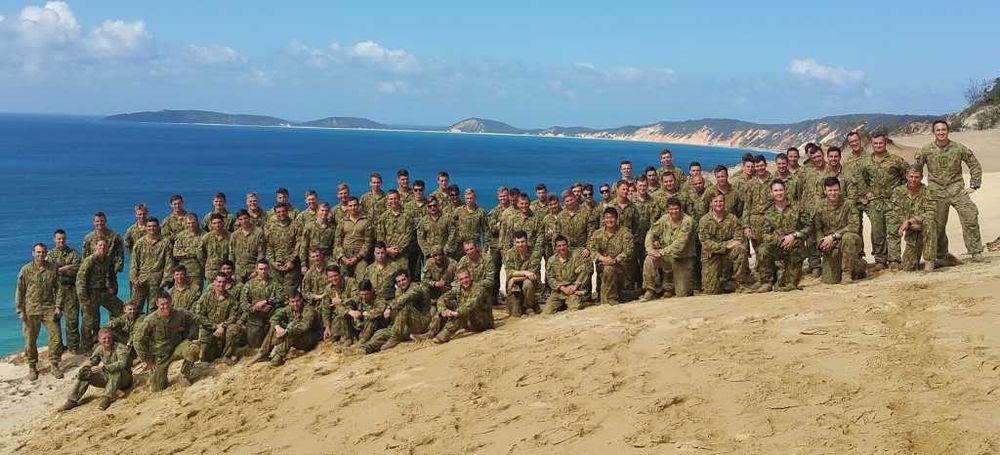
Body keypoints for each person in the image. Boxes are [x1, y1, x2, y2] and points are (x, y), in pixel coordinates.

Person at [914, 120, 986, 264]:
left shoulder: (958, 148)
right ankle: (942, 254)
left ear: (948, 131)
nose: (941, 132)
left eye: (943, 130)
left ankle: (975, 251)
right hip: (936, 191)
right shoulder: (925, 150)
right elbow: (915, 169)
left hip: (956, 189)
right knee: (937, 224)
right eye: (938, 130)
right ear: (934, 132)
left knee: (970, 214)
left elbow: (974, 164)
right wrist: (918, 188)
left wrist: (974, 185)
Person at [133, 292, 210, 391]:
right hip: (160, 355)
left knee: (193, 349)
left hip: (177, 347)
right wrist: (147, 360)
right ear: (157, 304)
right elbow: (137, 340)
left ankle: (184, 374)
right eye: (162, 304)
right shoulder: (150, 320)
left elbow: (195, 319)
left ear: (171, 301)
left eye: (167, 303)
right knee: (157, 388)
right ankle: (149, 377)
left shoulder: (179, 313)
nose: (165, 306)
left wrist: (191, 336)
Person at [858, 132, 908, 270]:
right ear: (872, 144)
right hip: (876, 203)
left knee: (893, 231)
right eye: (875, 143)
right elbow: (863, 180)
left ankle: (894, 260)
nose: (878, 146)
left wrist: (901, 192)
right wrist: (867, 192)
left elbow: (907, 176)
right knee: (877, 232)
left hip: (893, 202)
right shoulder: (866, 162)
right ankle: (880, 260)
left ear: (885, 143)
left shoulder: (896, 160)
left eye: (881, 143)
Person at [353, 270, 432, 354]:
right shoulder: (399, 291)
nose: (401, 283)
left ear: (409, 279)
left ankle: (396, 337)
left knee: (405, 306)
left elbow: (404, 298)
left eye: (403, 280)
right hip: (405, 326)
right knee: (380, 334)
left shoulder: (415, 287)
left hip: (421, 322)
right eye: (399, 281)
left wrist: (389, 308)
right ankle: (364, 349)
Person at [16, 242, 63, 380]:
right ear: (33, 253)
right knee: (30, 340)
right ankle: (32, 367)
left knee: (56, 338)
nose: (40, 254)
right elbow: (20, 291)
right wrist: (20, 310)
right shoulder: (25, 270)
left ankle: (54, 365)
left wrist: (59, 306)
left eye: (43, 252)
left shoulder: (53, 268)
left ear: (46, 253)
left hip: (49, 308)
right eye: (38, 252)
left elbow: (59, 288)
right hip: (31, 309)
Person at [755, 180, 812, 292]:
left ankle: (788, 278)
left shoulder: (797, 207)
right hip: (777, 247)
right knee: (762, 249)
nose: (779, 193)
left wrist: (794, 236)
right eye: (775, 190)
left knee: (786, 286)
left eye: (781, 190)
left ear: (785, 191)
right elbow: (764, 234)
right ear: (771, 193)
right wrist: (780, 240)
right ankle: (767, 282)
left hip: (794, 247)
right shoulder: (767, 212)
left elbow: (809, 227)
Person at [58, 328, 133, 411]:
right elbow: (92, 361)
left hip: (125, 379)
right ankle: (72, 400)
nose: (107, 340)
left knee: (115, 371)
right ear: (99, 339)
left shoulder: (120, 347)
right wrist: (86, 368)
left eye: (109, 338)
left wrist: (104, 368)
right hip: (109, 379)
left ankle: (107, 398)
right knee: (86, 373)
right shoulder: (100, 349)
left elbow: (122, 364)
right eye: (104, 338)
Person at [413, 268, 494, 344]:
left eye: (466, 278)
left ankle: (445, 333)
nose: (464, 281)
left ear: (471, 277)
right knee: (447, 304)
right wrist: (443, 310)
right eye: (461, 279)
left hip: (483, 322)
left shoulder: (478, 288)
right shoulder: (458, 289)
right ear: (458, 281)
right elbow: (442, 298)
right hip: (470, 321)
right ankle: (431, 332)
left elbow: (471, 304)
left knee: (461, 310)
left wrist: (456, 313)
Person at [813, 177, 864, 284]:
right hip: (831, 245)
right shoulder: (819, 206)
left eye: (835, 190)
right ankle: (856, 265)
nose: (833, 193)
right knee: (830, 281)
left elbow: (854, 226)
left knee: (848, 237)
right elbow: (818, 229)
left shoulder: (848, 204)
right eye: (830, 190)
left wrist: (833, 236)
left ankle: (847, 273)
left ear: (840, 190)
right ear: (825, 191)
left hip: (847, 241)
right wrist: (821, 243)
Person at [642, 197, 695, 299]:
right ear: (667, 210)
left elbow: (679, 246)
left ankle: (672, 288)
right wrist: (649, 248)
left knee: (682, 294)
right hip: (667, 256)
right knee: (650, 258)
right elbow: (651, 232)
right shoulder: (664, 219)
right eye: (671, 209)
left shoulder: (687, 221)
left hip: (682, 259)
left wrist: (661, 252)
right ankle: (650, 290)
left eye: (676, 209)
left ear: (681, 209)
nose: (673, 211)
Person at [76, 239, 124, 351]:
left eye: (104, 246)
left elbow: (111, 274)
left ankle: (118, 337)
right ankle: (86, 347)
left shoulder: (107, 259)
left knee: (121, 309)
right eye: (100, 246)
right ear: (95, 248)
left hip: (104, 292)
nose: (102, 248)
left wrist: (111, 287)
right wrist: (84, 299)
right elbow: (80, 280)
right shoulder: (89, 261)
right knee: (88, 321)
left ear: (107, 248)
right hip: (91, 293)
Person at [253, 290, 321, 366]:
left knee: (292, 328)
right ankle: (264, 353)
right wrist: (277, 327)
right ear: (289, 302)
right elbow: (274, 317)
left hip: (309, 340)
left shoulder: (308, 310)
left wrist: (286, 331)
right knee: (275, 325)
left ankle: (278, 356)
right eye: (292, 302)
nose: (295, 304)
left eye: (297, 301)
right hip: (297, 340)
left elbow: (304, 326)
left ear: (301, 300)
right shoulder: (288, 308)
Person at [889, 165, 937, 272]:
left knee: (930, 223)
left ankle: (929, 262)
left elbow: (931, 212)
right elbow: (895, 212)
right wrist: (907, 225)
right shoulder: (898, 191)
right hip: (910, 231)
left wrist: (911, 221)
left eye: (916, 177)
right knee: (908, 267)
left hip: (924, 229)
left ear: (921, 177)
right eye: (911, 176)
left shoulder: (928, 191)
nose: (913, 180)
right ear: (906, 176)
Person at [587, 207, 634, 305]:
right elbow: (592, 250)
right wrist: (602, 258)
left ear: (617, 219)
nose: (609, 220)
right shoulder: (597, 234)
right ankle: (609, 297)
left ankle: (612, 299)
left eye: (612, 218)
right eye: (607, 218)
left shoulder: (625, 232)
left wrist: (615, 260)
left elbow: (628, 251)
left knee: (609, 269)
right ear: (603, 219)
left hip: (621, 268)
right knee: (607, 270)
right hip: (603, 268)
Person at [195, 273, 243, 365]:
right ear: (214, 282)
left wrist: (223, 326)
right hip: (208, 329)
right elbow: (199, 314)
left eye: (224, 282)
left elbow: (234, 315)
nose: (221, 284)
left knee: (235, 329)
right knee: (205, 358)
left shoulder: (231, 299)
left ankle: (226, 356)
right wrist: (214, 326)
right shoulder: (206, 296)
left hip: (223, 330)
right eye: (219, 282)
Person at [48, 229, 82, 353]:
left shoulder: (73, 253)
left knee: (72, 321)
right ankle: (58, 347)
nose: (61, 241)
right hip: (54, 292)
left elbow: (79, 268)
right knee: (54, 321)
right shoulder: (50, 255)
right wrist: (67, 268)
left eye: (63, 238)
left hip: (70, 291)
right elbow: (49, 272)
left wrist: (63, 269)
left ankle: (73, 348)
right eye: (58, 239)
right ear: (54, 239)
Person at [129, 217, 172, 313]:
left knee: (153, 308)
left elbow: (168, 262)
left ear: (158, 227)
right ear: (146, 228)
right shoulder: (140, 243)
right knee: (135, 306)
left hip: (157, 280)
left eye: (154, 226)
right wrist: (134, 278)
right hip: (141, 280)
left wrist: (166, 279)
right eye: (149, 226)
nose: (151, 228)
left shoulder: (165, 242)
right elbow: (134, 262)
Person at [239, 260, 285, 348]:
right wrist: (256, 308)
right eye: (261, 269)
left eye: (265, 269)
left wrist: (267, 301)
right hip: (255, 319)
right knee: (255, 346)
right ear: (256, 269)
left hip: (271, 317)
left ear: (269, 269)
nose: (263, 271)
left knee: (274, 344)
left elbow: (282, 297)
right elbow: (243, 304)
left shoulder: (275, 283)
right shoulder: (249, 285)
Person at [544, 235, 591, 313]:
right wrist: (562, 288)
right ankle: (562, 304)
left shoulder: (575, 256)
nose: (562, 248)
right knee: (547, 312)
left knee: (575, 308)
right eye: (559, 246)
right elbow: (550, 278)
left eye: (564, 245)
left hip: (572, 290)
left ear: (567, 245)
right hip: (559, 292)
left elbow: (583, 271)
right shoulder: (551, 260)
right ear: (555, 248)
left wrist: (575, 287)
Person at [503, 230, 542, 316]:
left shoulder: (534, 253)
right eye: (518, 242)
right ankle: (520, 304)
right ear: (514, 242)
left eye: (523, 242)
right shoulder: (510, 253)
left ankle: (529, 306)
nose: (520, 245)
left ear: (527, 241)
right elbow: (509, 272)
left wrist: (514, 278)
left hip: (530, 284)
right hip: (515, 286)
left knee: (528, 283)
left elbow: (533, 274)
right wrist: (525, 273)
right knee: (515, 314)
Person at [265, 202, 303, 291]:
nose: (281, 214)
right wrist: (272, 262)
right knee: (277, 290)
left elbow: (299, 244)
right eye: (278, 212)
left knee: (291, 291)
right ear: (275, 213)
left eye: (283, 211)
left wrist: (291, 261)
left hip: (291, 266)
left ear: (287, 211)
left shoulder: (295, 225)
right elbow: (268, 245)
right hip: (275, 267)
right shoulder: (270, 227)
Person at [335, 197, 374, 277]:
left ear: (359, 206)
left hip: (359, 255)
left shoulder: (366, 221)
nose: (353, 208)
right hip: (344, 255)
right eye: (350, 206)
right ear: (347, 207)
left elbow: (368, 243)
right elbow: (337, 242)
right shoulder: (342, 222)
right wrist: (342, 257)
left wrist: (357, 258)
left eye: (355, 205)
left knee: (362, 276)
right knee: (341, 277)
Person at [376, 191, 414, 273]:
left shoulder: (407, 215)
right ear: (387, 201)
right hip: (386, 254)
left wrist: (398, 250)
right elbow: (380, 235)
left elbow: (408, 235)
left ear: (399, 199)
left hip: (402, 254)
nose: (393, 201)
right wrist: (387, 250)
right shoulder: (383, 217)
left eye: (395, 198)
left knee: (403, 279)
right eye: (391, 199)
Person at [82, 212, 124, 278]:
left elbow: (120, 256)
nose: (100, 223)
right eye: (97, 221)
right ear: (94, 222)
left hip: (110, 275)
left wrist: (115, 270)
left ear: (105, 221)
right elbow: (85, 257)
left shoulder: (114, 237)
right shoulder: (88, 238)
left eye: (102, 221)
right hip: (93, 276)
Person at [231, 208, 267, 282]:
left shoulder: (258, 232)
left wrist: (256, 271)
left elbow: (261, 253)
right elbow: (231, 254)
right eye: (241, 219)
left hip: (253, 270)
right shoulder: (234, 235)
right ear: (238, 221)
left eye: (245, 218)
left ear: (249, 218)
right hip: (238, 271)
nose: (243, 221)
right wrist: (232, 271)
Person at [417, 196, 458, 260]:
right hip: (431, 256)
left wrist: (446, 249)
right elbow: (421, 238)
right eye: (430, 206)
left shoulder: (447, 218)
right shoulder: (423, 221)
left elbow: (452, 233)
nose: (432, 208)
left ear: (438, 205)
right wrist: (428, 252)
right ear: (427, 208)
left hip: (445, 254)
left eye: (434, 205)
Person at [172, 213, 205, 289]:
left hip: (198, 272)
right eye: (189, 223)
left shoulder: (204, 235)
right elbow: (176, 253)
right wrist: (192, 253)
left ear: (197, 222)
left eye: (193, 223)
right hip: (183, 272)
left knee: (196, 295)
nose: (191, 225)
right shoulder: (181, 236)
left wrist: (186, 252)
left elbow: (206, 253)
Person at [202, 212, 232, 283]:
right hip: (211, 271)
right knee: (212, 290)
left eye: (219, 222)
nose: (217, 225)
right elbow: (201, 254)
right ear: (211, 225)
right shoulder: (206, 237)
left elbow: (232, 253)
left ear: (223, 223)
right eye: (214, 223)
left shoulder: (230, 236)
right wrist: (207, 265)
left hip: (226, 270)